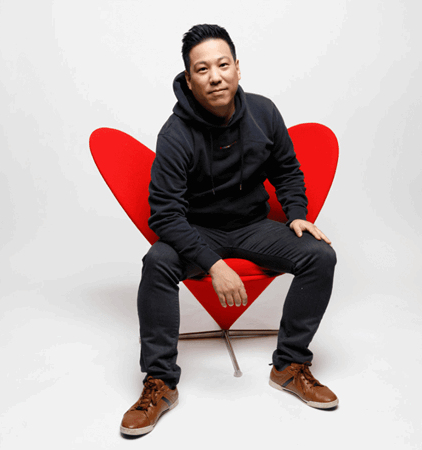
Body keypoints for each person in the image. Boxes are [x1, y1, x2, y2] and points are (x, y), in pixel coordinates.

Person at [120, 24, 338, 437]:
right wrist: (213, 264)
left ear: (238, 68)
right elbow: (164, 215)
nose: (215, 76)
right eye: (202, 69)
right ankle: (160, 383)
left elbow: (288, 170)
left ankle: (291, 365)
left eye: (223, 65)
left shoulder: (264, 112)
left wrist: (295, 213)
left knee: (320, 254)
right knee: (157, 262)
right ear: (189, 79)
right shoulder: (175, 134)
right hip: (197, 232)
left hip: (253, 227)